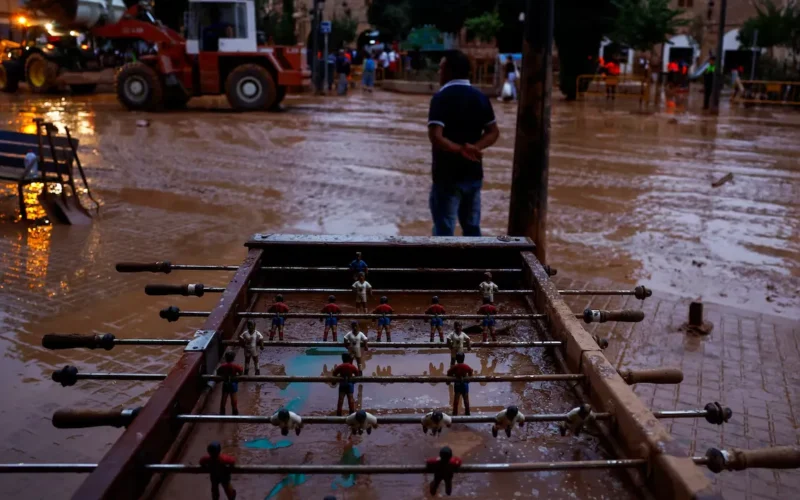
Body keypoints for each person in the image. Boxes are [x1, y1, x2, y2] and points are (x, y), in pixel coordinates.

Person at [428, 50, 499, 237]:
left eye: (441, 68)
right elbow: (493, 132)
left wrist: (459, 149)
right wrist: (475, 148)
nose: (439, 72)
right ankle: (475, 265)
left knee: (444, 230)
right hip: (474, 174)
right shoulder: (480, 97)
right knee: (472, 229)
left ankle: (444, 266)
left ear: (449, 71)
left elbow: (436, 136)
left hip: (447, 176)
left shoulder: (441, 98)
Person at [217, 350, 243, 415]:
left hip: (225, 383)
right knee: (234, 400)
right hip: (233, 384)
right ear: (233, 358)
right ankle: (235, 413)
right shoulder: (236, 366)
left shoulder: (223, 366)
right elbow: (241, 372)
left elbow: (218, 372)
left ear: (226, 358)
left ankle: (222, 413)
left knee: (223, 399)